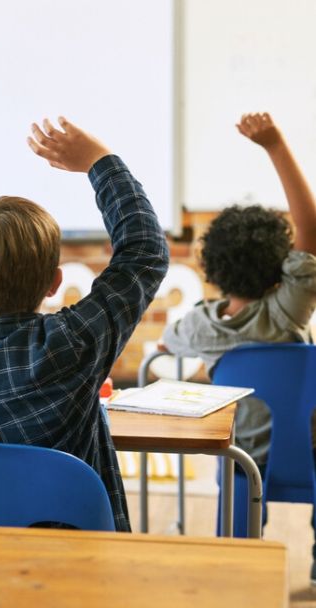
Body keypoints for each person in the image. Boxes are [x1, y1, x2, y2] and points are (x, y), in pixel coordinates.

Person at [0, 116, 170, 531]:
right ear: (54, 284)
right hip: (75, 578)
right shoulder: (72, 346)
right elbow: (145, 250)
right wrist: (100, 160)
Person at [161, 113, 316, 570]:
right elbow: (309, 230)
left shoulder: (199, 327)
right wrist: (275, 146)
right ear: (282, 267)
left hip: (241, 457)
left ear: (212, 268)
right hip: (306, 451)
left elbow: (167, 348)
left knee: (229, 459)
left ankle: (238, 560)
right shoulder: (287, 310)